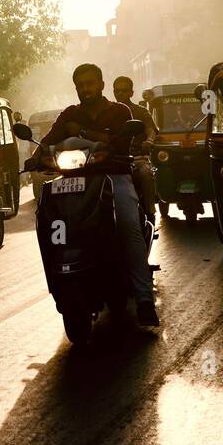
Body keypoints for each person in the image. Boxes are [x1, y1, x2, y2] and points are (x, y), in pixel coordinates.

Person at [38, 63, 159, 326]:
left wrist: (80, 132)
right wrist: (37, 155)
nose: (85, 89)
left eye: (90, 83)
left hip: (114, 176)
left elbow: (117, 141)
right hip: (75, 181)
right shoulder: (70, 114)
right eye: (80, 85)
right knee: (50, 219)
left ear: (101, 84)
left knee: (128, 225)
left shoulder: (119, 111)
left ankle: (143, 298)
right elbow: (50, 139)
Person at [112, 76, 159, 222]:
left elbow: (151, 129)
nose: (120, 94)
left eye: (124, 91)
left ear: (131, 93)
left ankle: (150, 212)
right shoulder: (108, 112)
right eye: (117, 91)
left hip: (137, 158)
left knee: (145, 174)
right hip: (113, 160)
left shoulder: (141, 111)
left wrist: (149, 141)